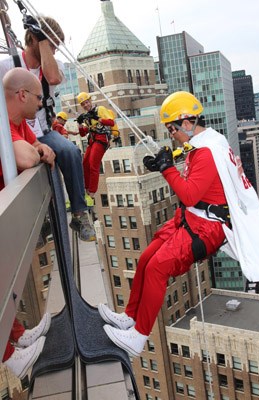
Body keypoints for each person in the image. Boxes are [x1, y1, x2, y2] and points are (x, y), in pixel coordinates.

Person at [97, 91, 256, 357]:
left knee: (158, 267)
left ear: (186, 122)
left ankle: (138, 337)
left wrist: (167, 169)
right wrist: (163, 163)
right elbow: (191, 163)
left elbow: (190, 194)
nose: (171, 133)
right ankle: (130, 316)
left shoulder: (207, 152)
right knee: (147, 257)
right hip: (191, 219)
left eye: (172, 128)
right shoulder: (208, 141)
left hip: (206, 227)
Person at [0, 16, 94, 242]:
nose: (54, 50)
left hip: (41, 130)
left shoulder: (53, 66)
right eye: (52, 44)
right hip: (15, 127)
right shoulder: (6, 66)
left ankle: (79, 213)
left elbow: (52, 77)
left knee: (69, 152)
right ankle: (41, 221)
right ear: (33, 39)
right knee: (25, 165)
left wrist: (44, 43)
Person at [0, 68, 55, 378]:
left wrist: (37, 149)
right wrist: (36, 150)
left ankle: (18, 335)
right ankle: (12, 357)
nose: (40, 102)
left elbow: (41, 149)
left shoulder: (19, 124)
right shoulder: (2, 123)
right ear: (21, 95)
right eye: (37, 96)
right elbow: (29, 157)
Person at [76, 92, 115, 199]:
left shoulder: (100, 109)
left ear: (90, 101)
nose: (85, 105)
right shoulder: (87, 116)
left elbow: (111, 123)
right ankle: (87, 188)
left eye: (87, 102)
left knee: (93, 164)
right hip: (93, 140)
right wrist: (79, 123)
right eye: (83, 104)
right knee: (85, 163)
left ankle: (92, 191)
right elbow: (83, 133)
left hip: (101, 139)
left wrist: (97, 118)